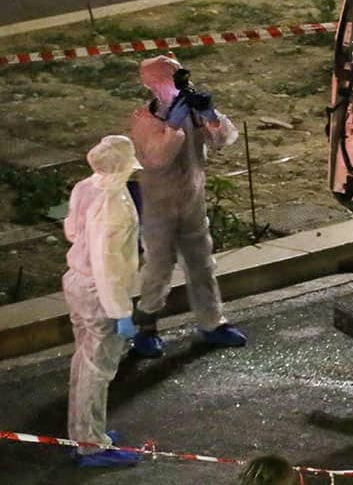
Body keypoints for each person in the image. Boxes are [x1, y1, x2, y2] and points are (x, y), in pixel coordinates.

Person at [129, 54, 247, 357]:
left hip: (192, 201)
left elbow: (224, 138)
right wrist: (171, 127)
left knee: (202, 264)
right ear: (152, 86)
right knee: (158, 266)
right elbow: (156, 159)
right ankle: (146, 327)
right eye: (169, 80)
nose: (177, 85)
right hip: (159, 206)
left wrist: (210, 115)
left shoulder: (193, 114)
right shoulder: (144, 120)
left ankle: (212, 323)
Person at [63, 135, 144, 467]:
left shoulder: (86, 186)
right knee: (98, 369)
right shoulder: (113, 203)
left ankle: (84, 431)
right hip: (100, 293)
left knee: (84, 364)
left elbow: (71, 230)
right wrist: (121, 311)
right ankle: (92, 444)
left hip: (77, 283)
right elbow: (106, 264)